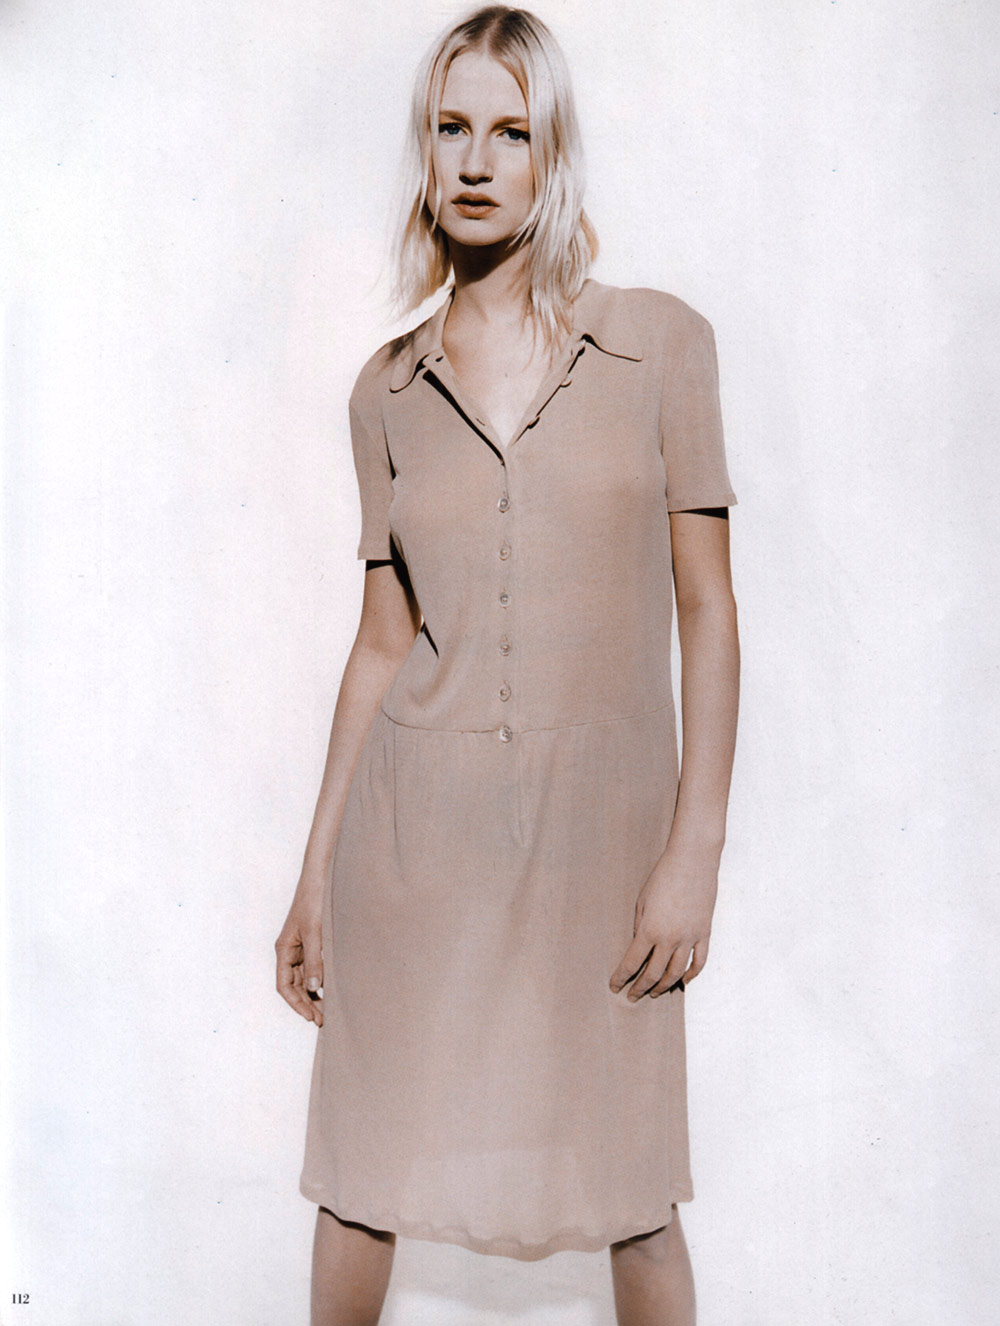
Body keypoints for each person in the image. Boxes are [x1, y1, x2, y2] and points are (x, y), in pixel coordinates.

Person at [274, 6, 739, 1324]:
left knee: (634, 1197)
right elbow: (382, 641)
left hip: (602, 854)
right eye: (452, 128)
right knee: (362, 1178)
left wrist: (695, 849)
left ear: (554, 153)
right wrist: (313, 873)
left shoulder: (663, 346)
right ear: (426, 152)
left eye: (511, 132)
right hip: (413, 852)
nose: (477, 160)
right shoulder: (383, 391)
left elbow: (709, 608)